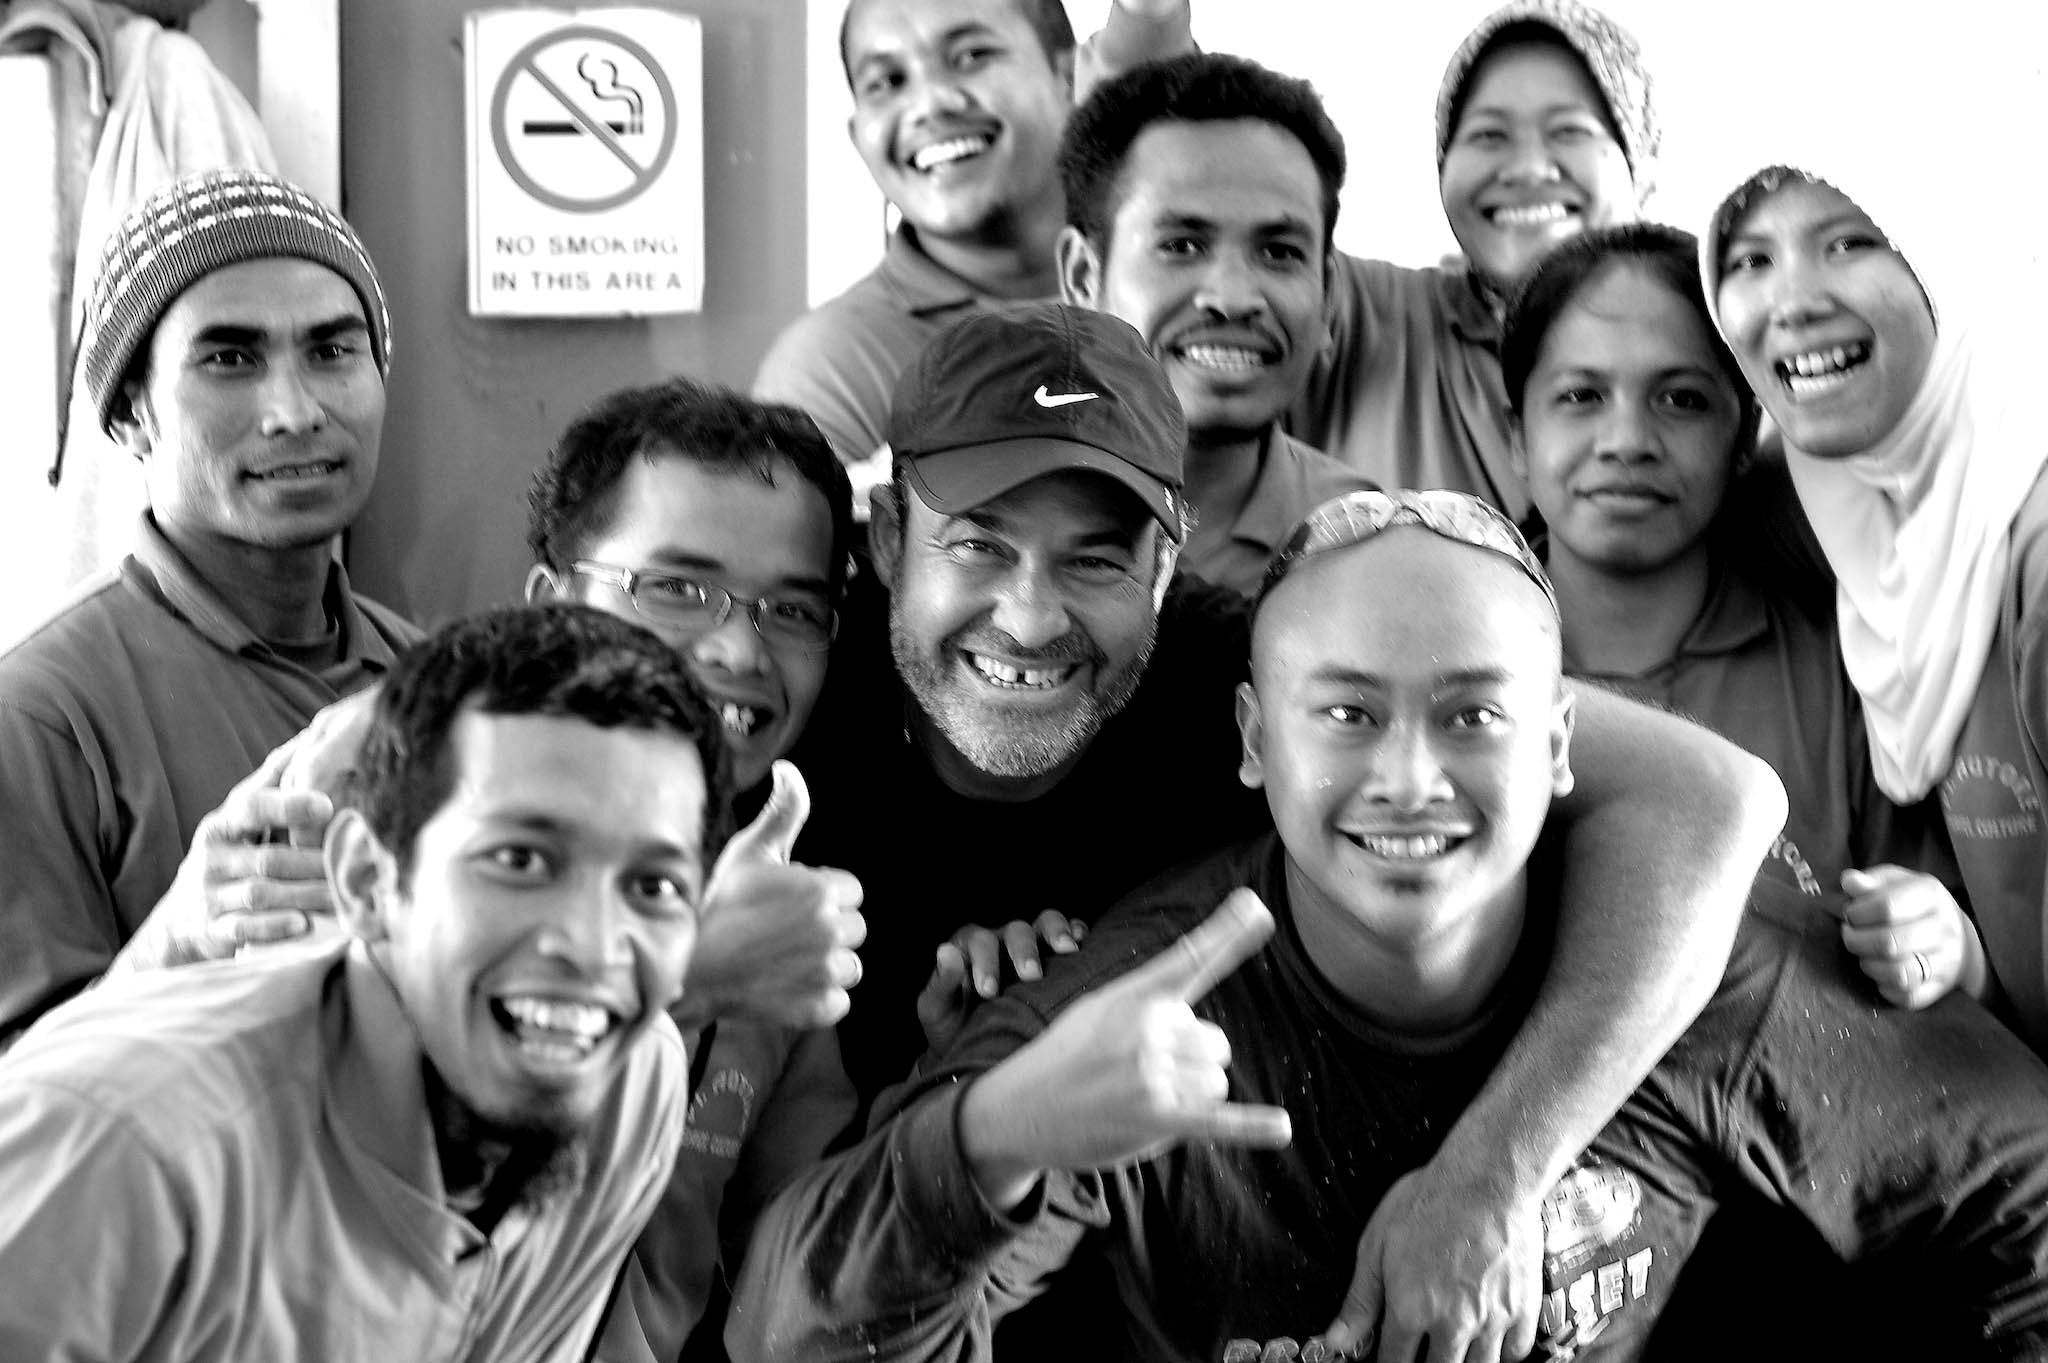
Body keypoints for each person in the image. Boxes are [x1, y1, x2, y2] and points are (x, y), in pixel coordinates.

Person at [726, 489, 2048, 1363]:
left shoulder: (1702, 970)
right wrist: (995, 1132)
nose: (1410, 779)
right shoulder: (1135, 1008)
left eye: (1471, 714)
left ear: (1559, 742)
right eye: (1347, 714)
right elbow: (790, 1332)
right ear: (1254, 741)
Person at [795, 298, 1788, 1356]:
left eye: (1093, 560)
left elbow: (1711, 796)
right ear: (887, 538)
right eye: (977, 545)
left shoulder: (1263, 672)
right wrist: (979, 1097)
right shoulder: (801, 687)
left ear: (1162, 569)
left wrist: (1490, 1173)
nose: (1031, 616)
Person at [0, 604, 732, 1360]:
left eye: (654, 886)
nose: (593, 948)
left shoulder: (631, 1087)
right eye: (519, 860)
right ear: (364, 878)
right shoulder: (121, 1147)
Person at [0, 167, 419, 1045]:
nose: (295, 411)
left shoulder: (431, 678)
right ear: (131, 416)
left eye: (332, 351)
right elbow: (18, 1103)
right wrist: (175, 943)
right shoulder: (39, 713)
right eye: (230, 359)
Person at [1503, 221, 1971, 1005]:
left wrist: (1945, 939)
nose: (1628, 440)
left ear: (1745, 434)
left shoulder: (1845, 669)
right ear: (1516, 434)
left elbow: (1936, 928)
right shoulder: (1462, 664)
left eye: (1682, 400)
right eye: (1581, 396)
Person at [521, 377, 869, 1361]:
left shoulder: (777, 915)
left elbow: (798, 1271)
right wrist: (685, 975)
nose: (738, 648)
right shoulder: (414, 852)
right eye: (676, 589)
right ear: (553, 606)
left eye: (792, 609)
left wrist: (956, 1085)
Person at [1701, 164, 2048, 1049]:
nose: (1792, 302)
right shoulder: (1826, 507)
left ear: (1952, 261)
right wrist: (1968, 960)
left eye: (1852, 242)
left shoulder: (2034, 549)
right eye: (1749, 261)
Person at [1088, 0, 1657, 520]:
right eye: (1489, 135)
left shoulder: (1696, 330)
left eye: (1569, 131)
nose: (1528, 167)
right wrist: (1150, 14)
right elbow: (1160, 156)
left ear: (1640, 163)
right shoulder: (1371, 316)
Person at [752, 0, 1191, 472]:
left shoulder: (1181, 284)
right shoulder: (835, 360)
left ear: (1069, 77)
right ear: (859, 137)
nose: (929, 103)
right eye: (887, 82)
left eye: (971, 56)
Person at [1056, 52, 1374, 595]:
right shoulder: (970, 507)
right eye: (1181, 246)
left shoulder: (1364, 544)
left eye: (1279, 252)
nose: (1232, 298)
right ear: (1083, 276)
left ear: (1328, 298)